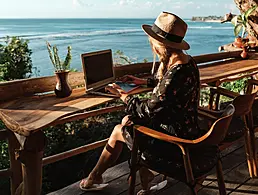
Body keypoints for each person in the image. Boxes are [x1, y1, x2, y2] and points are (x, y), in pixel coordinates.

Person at [80, 11, 202, 194]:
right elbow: (170, 88)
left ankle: (94, 177)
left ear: (160, 44)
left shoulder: (176, 72)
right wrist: (145, 82)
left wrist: (124, 96)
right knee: (128, 122)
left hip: (177, 142)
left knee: (118, 130)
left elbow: (148, 110)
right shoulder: (187, 63)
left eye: (152, 40)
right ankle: (143, 176)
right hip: (188, 129)